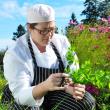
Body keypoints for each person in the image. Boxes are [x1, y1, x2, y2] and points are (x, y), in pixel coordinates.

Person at [3, 4, 96, 110]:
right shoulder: (16, 53)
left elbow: (72, 71)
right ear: (29, 28)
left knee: (86, 101)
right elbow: (21, 96)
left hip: (54, 92)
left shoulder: (61, 41)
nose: (49, 35)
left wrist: (70, 86)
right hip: (25, 96)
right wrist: (45, 86)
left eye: (52, 29)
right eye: (43, 31)